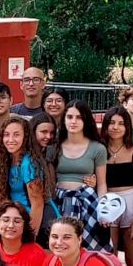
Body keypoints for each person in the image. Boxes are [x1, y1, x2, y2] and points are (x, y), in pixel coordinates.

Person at [53, 100, 110, 250]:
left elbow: (102, 183)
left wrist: (104, 211)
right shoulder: (54, 146)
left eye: (79, 117)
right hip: (59, 201)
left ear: (86, 120)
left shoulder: (98, 148)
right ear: (64, 119)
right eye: (69, 117)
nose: (73, 121)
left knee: (90, 248)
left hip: (87, 201)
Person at [101, 106, 133, 266]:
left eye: (121, 123)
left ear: (127, 126)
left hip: (132, 205)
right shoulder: (99, 151)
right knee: (110, 259)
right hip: (108, 206)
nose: (116, 127)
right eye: (112, 122)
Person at [0, 116, 54, 239]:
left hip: (37, 223)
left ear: (25, 137)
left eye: (16, 135)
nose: (10, 139)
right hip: (17, 220)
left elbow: (37, 204)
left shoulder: (28, 163)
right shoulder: (4, 160)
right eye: (6, 135)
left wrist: (30, 238)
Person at [0, 201, 48, 266]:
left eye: (17, 221)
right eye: (6, 220)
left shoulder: (36, 253)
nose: (11, 225)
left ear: (24, 225)